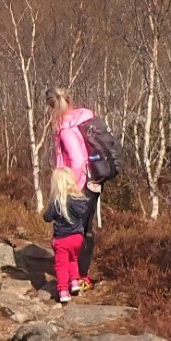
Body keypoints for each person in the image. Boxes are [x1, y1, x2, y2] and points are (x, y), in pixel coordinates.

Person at [47, 86, 97, 290]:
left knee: (76, 230)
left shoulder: (67, 129)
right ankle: (79, 276)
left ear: (51, 108)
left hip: (78, 185)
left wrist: (70, 187)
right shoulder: (80, 119)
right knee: (84, 229)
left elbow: (77, 160)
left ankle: (78, 277)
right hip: (91, 181)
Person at [43, 166, 100, 303]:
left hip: (62, 239)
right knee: (73, 259)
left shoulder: (56, 201)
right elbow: (85, 212)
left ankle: (63, 291)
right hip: (77, 238)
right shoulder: (80, 200)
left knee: (61, 265)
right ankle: (74, 283)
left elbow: (47, 217)